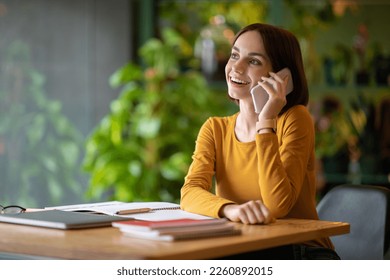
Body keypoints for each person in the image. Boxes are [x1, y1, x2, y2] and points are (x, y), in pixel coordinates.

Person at [180, 23, 340, 260]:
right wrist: (230, 210)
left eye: (253, 61)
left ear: (282, 78)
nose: (236, 67)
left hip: (301, 251)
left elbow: (277, 205)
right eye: (235, 55)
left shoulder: (295, 119)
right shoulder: (214, 129)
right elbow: (190, 192)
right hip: (243, 247)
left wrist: (266, 120)